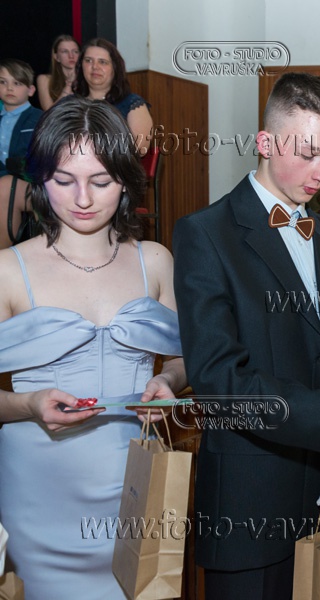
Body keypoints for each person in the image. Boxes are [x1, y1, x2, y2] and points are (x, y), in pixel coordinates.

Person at [172, 72, 320, 599]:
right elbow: (220, 381)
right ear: (265, 143)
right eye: (309, 153)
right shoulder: (205, 235)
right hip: (247, 508)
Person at [0, 96, 185, 599]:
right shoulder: (9, 270)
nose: (82, 198)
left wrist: (167, 380)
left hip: (134, 482)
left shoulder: (155, 261)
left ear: (124, 180)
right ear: (42, 180)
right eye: (64, 180)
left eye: (100, 181)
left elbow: (183, 359)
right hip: (38, 493)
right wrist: (28, 404)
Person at [72, 38, 152, 155]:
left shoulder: (132, 104)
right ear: (81, 66)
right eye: (88, 60)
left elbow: (139, 149)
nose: (95, 66)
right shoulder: (69, 103)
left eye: (102, 62)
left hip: (116, 166)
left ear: (115, 68)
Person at [0, 59, 42, 249]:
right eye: (3, 82)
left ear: (31, 90)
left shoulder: (39, 118)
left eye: (17, 83)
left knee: (5, 186)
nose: (9, 88)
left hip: (29, 182)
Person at [36, 35, 80, 109]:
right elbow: (48, 111)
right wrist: (68, 85)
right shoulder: (44, 79)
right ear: (56, 57)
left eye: (75, 51)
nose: (71, 56)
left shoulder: (86, 78)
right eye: (65, 51)